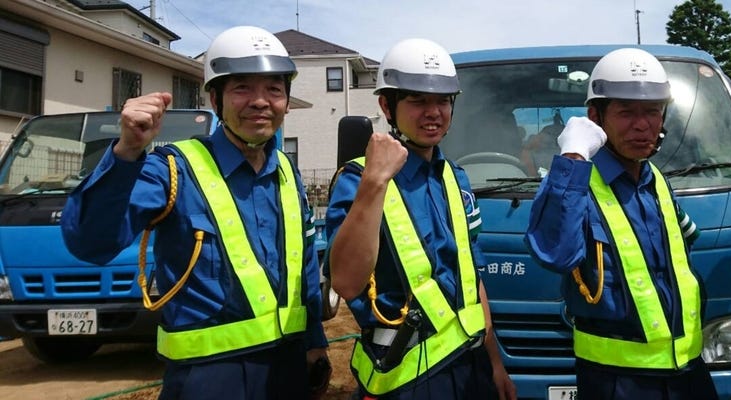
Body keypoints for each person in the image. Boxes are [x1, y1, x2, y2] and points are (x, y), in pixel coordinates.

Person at [60, 26, 330, 399]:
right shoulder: (173, 169)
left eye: (274, 89)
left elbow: (304, 268)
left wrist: (315, 343)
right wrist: (126, 153)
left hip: (288, 373)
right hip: (209, 381)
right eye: (242, 88)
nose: (260, 101)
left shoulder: (287, 171)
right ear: (215, 99)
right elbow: (92, 244)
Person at [324, 38, 516, 400]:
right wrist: (375, 182)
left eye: (442, 100)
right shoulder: (359, 179)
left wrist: (495, 363)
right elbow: (347, 283)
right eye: (418, 100)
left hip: (470, 369)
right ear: (386, 105)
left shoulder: (454, 177)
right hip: (406, 375)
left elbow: (471, 279)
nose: (434, 112)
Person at [525, 47, 718, 400]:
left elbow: (685, 245)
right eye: (627, 112)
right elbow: (554, 253)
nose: (642, 124)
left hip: (688, 371)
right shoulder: (571, 182)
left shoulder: (656, 179)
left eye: (653, 112)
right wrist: (573, 157)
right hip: (617, 382)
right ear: (595, 117)